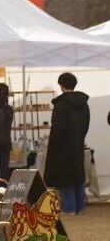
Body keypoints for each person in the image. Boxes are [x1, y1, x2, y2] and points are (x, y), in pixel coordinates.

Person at [44, 72, 90, 215]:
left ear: (61, 85)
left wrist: (54, 146)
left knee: (65, 177)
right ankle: (80, 207)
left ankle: (69, 208)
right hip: (77, 144)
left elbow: (58, 129)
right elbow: (86, 125)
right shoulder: (84, 104)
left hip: (62, 148)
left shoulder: (61, 105)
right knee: (77, 176)